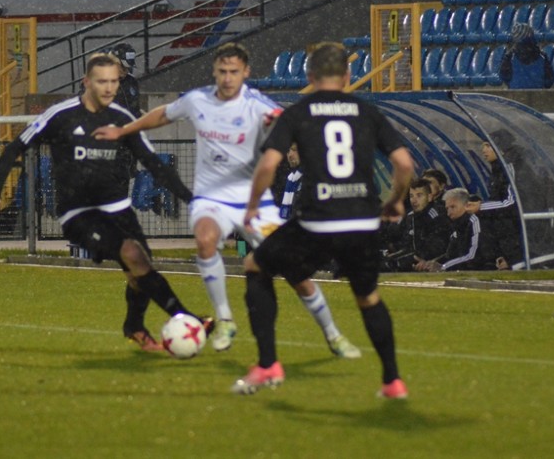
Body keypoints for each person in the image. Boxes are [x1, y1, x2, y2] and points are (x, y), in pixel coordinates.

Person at [93, 42, 360, 358]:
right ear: (215, 72)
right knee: (206, 239)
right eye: (222, 71)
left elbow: (288, 123)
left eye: (234, 71)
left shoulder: (257, 105)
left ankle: (333, 334)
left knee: (295, 272)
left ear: (245, 72)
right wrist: (124, 131)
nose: (228, 78)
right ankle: (225, 320)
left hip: (253, 200)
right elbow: (163, 114)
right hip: (212, 197)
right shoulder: (198, 100)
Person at [0, 52, 207, 350]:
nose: (109, 88)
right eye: (102, 82)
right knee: (133, 255)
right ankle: (188, 320)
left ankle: (134, 326)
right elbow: (14, 148)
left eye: (113, 81)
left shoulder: (122, 119)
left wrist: (191, 199)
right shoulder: (61, 115)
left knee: (139, 269)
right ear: (87, 82)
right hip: (78, 213)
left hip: (118, 209)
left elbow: (154, 164)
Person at [234, 42, 415, 399]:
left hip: (317, 222)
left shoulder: (298, 113)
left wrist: (253, 206)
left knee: (256, 265)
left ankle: (268, 364)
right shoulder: (367, 112)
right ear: (347, 76)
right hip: (362, 222)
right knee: (368, 298)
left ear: (310, 75)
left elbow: (268, 165)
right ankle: (392, 381)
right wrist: (395, 201)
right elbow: (404, 163)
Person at [476, 134, 523, 268]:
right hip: (505, 233)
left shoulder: (510, 167)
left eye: (488, 146)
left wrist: (481, 207)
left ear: (501, 149)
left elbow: (511, 201)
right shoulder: (497, 170)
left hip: (515, 231)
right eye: (483, 146)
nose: (483, 150)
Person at [383, 179, 449, 272]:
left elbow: (438, 247)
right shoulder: (410, 217)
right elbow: (408, 246)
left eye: (419, 195)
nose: (414, 200)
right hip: (415, 257)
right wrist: (391, 257)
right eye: (411, 196)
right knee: (384, 263)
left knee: (390, 265)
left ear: (429, 197)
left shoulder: (436, 216)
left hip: (433, 262)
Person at [416, 188, 490, 272]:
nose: (449, 213)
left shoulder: (475, 220)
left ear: (466, 205)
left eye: (453, 207)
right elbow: (450, 255)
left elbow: (473, 256)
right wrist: (431, 263)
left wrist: (444, 267)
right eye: (447, 208)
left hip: (487, 270)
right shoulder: (456, 226)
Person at [500, 22, 554, 89]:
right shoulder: (542, 57)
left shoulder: (510, 57)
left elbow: (504, 77)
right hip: (538, 94)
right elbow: (549, 81)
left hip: (515, 93)